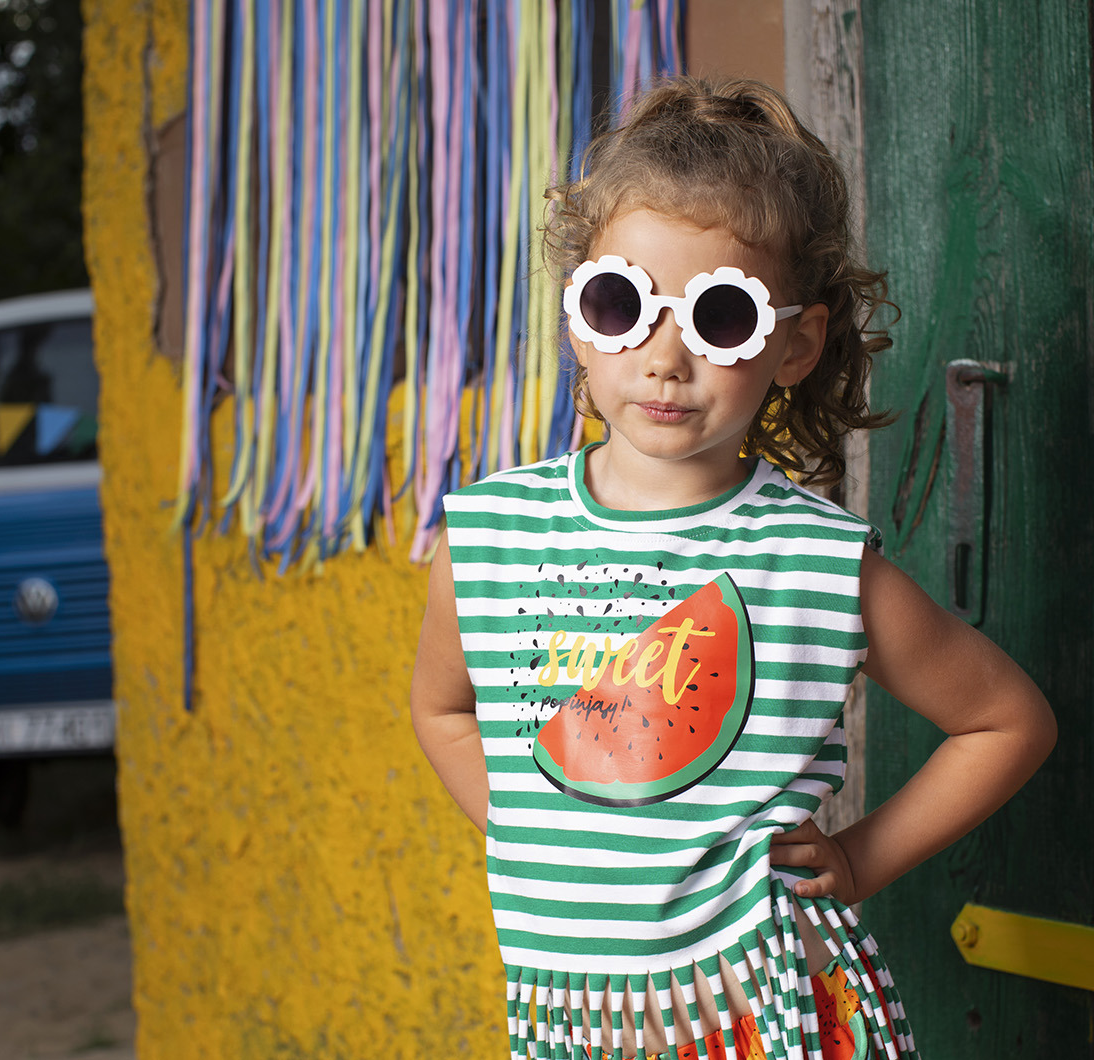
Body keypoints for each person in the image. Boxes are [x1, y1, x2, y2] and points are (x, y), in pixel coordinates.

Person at [410, 76, 1055, 1060]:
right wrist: (541, 831)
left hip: (770, 1018)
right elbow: (444, 709)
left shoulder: (817, 560)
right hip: (567, 1034)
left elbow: (1008, 719)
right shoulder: (488, 538)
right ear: (579, 317)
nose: (666, 359)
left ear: (794, 344)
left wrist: (859, 855)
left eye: (717, 318)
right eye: (624, 302)